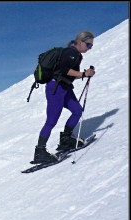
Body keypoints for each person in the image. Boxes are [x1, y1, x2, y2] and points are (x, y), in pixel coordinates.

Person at [33, 31, 96, 163]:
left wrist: (84, 74)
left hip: (65, 88)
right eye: (88, 44)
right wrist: (84, 74)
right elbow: (64, 70)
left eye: (91, 45)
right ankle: (40, 152)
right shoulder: (71, 53)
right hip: (56, 88)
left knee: (77, 111)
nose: (90, 47)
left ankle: (66, 139)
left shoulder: (76, 55)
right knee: (51, 121)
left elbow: (68, 74)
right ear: (80, 42)